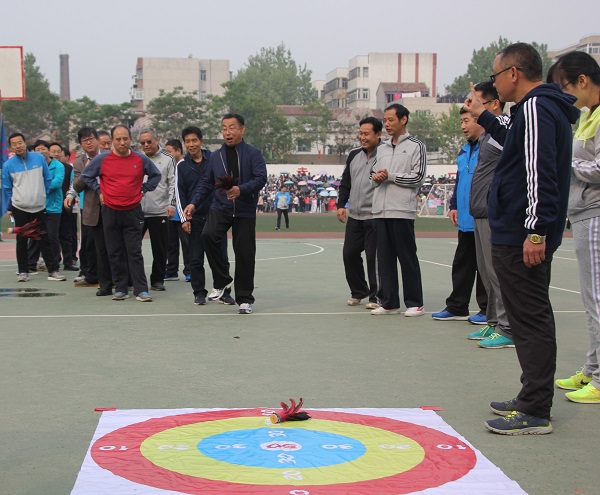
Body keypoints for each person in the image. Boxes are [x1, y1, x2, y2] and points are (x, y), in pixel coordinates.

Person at [465, 42, 580, 434]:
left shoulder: (535, 108)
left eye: (496, 75)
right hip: (520, 229)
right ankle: (532, 394)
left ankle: (535, 407)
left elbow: (538, 171)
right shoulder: (538, 110)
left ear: (513, 73)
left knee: (530, 318)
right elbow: (516, 143)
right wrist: (484, 115)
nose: (494, 84)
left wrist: (535, 230)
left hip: (521, 232)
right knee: (527, 315)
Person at [549, 52, 600, 404]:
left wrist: (565, 161)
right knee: (590, 297)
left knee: (596, 298)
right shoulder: (588, 117)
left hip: (595, 212)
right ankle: (592, 367)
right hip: (583, 213)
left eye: (564, 86)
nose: (564, 95)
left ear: (582, 80)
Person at [183, 114, 267, 314]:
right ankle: (222, 280)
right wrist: (193, 203)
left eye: (232, 127)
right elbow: (206, 183)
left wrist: (241, 189)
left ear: (242, 129)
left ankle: (245, 299)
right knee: (207, 236)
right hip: (220, 207)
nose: (227, 132)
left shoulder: (253, 153)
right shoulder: (216, 156)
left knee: (245, 254)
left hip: (245, 210)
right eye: (224, 128)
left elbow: (261, 178)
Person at [82, 125, 161, 302]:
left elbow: (156, 175)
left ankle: (141, 290)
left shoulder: (140, 159)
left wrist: (144, 189)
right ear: (112, 141)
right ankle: (120, 288)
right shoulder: (102, 159)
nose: (122, 142)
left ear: (130, 139)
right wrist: (99, 190)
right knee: (114, 251)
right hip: (110, 211)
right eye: (118, 139)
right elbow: (87, 175)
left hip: (133, 211)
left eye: (125, 138)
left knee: (134, 251)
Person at [466, 82, 514, 349]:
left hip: (493, 211)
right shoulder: (486, 134)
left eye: (477, 102)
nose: (471, 108)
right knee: (486, 273)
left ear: (494, 104)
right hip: (480, 210)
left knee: (497, 273)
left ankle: (508, 326)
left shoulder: (502, 128)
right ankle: (494, 321)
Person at [369, 103, 426, 317]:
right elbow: (372, 175)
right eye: (385, 120)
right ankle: (389, 302)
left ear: (404, 119)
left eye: (391, 120)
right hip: (380, 210)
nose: (387, 124)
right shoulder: (382, 148)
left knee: (407, 257)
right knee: (384, 259)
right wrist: (376, 177)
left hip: (401, 210)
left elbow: (418, 177)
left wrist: (390, 176)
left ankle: (415, 303)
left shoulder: (416, 146)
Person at [432, 109, 487, 325]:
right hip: (465, 219)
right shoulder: (464, 150)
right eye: (461, 121)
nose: (463, 126)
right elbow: (459, 181)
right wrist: (454, 205)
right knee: (462, 264)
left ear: (479, 120)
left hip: (483, 218)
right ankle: (457, 306)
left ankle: (487, 309)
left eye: (466, 121)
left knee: (485, 268)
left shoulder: (489, 148)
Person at [176, 126, 233, 305]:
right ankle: (199, 292)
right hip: (195, 218)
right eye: (187, 141)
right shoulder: (182, 166)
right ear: (184, 144)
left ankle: (224, 291)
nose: (191, 144)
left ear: (201, 141)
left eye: (194, 140)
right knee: (195, 258)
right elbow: (180, 193)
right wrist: (184, 219)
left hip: (216, 215)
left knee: (221, 257)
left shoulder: (215, 159)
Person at [1, 133, 66, 282]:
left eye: (20, 142)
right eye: (14, 144)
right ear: (11, 147)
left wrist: (42, 195)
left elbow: (47, 178)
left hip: (39, 206)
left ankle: (53, 271)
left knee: (44, 238)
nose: (18, 146)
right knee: (22, 240)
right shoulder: (8, 165)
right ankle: (23, 272)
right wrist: (18, 199)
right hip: (20, 208)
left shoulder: (38, 158)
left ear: (25, 142)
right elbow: (7, 188)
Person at [337, 116, 382, 310]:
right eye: (360, 133)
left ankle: (376, 296)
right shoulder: (354, 155)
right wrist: (341, 204)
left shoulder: (385, 154)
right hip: (355, 215)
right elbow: (346, 181)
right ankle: (358, 291)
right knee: (349, 253)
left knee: (374, 258)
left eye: (366, 134)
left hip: (375, 215)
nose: (362, 137)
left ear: (378, 134)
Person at [65, 127, 113, 296]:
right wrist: (87, 170)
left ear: (97, 139)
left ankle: (123, 279)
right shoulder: (79, 162)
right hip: (93, 210)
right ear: (81, 144)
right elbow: (77, 185)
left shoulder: (109, 156)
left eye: (91, 139)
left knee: (116, 246)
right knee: (98, 249)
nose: (89, 142)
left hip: (113, 207)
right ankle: (104, 283)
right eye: (85, 140)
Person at [138, 128, 176, 291]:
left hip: (159, 210)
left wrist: (171, 204)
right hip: (137, 211)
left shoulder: (168, 159)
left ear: (157, 140)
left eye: (149, 141)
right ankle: (134, 278)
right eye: (143, 142)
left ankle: (157, 280)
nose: (146, 145)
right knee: (133, 248)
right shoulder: (137, 158)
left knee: (160, 249)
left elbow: (173, 184)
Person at [27, 140, 65, 274]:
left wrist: (39, 187)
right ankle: (31, 264)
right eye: (37, 149)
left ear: (49, 151)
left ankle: (54, 264)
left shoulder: (58, 166)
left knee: (52, 236)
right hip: (37, 205)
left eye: (43, 149)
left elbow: (57, 183)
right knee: (35, 235)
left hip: (53, 207)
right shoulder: (34, 166)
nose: (41, 152)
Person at [164, 138, 190, 282]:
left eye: (169, 152)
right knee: (170, 243)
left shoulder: (186, 165)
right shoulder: (168, 166)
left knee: (187, 243)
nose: (167, 155)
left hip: (183, 212)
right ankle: (171, 271)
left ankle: (189, 271)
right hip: (169, 211)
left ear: (178, 150)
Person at [49, 142, 77, 271]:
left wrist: (70, 199)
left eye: (58, 151)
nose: (56, 154)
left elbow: (73, 185)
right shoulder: (45, 167)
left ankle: (68, 262)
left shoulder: (68, 168)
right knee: (51, 235)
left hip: (65, 205)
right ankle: (54, 262)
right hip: (51, 206)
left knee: (66, 235)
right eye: (53, 151)